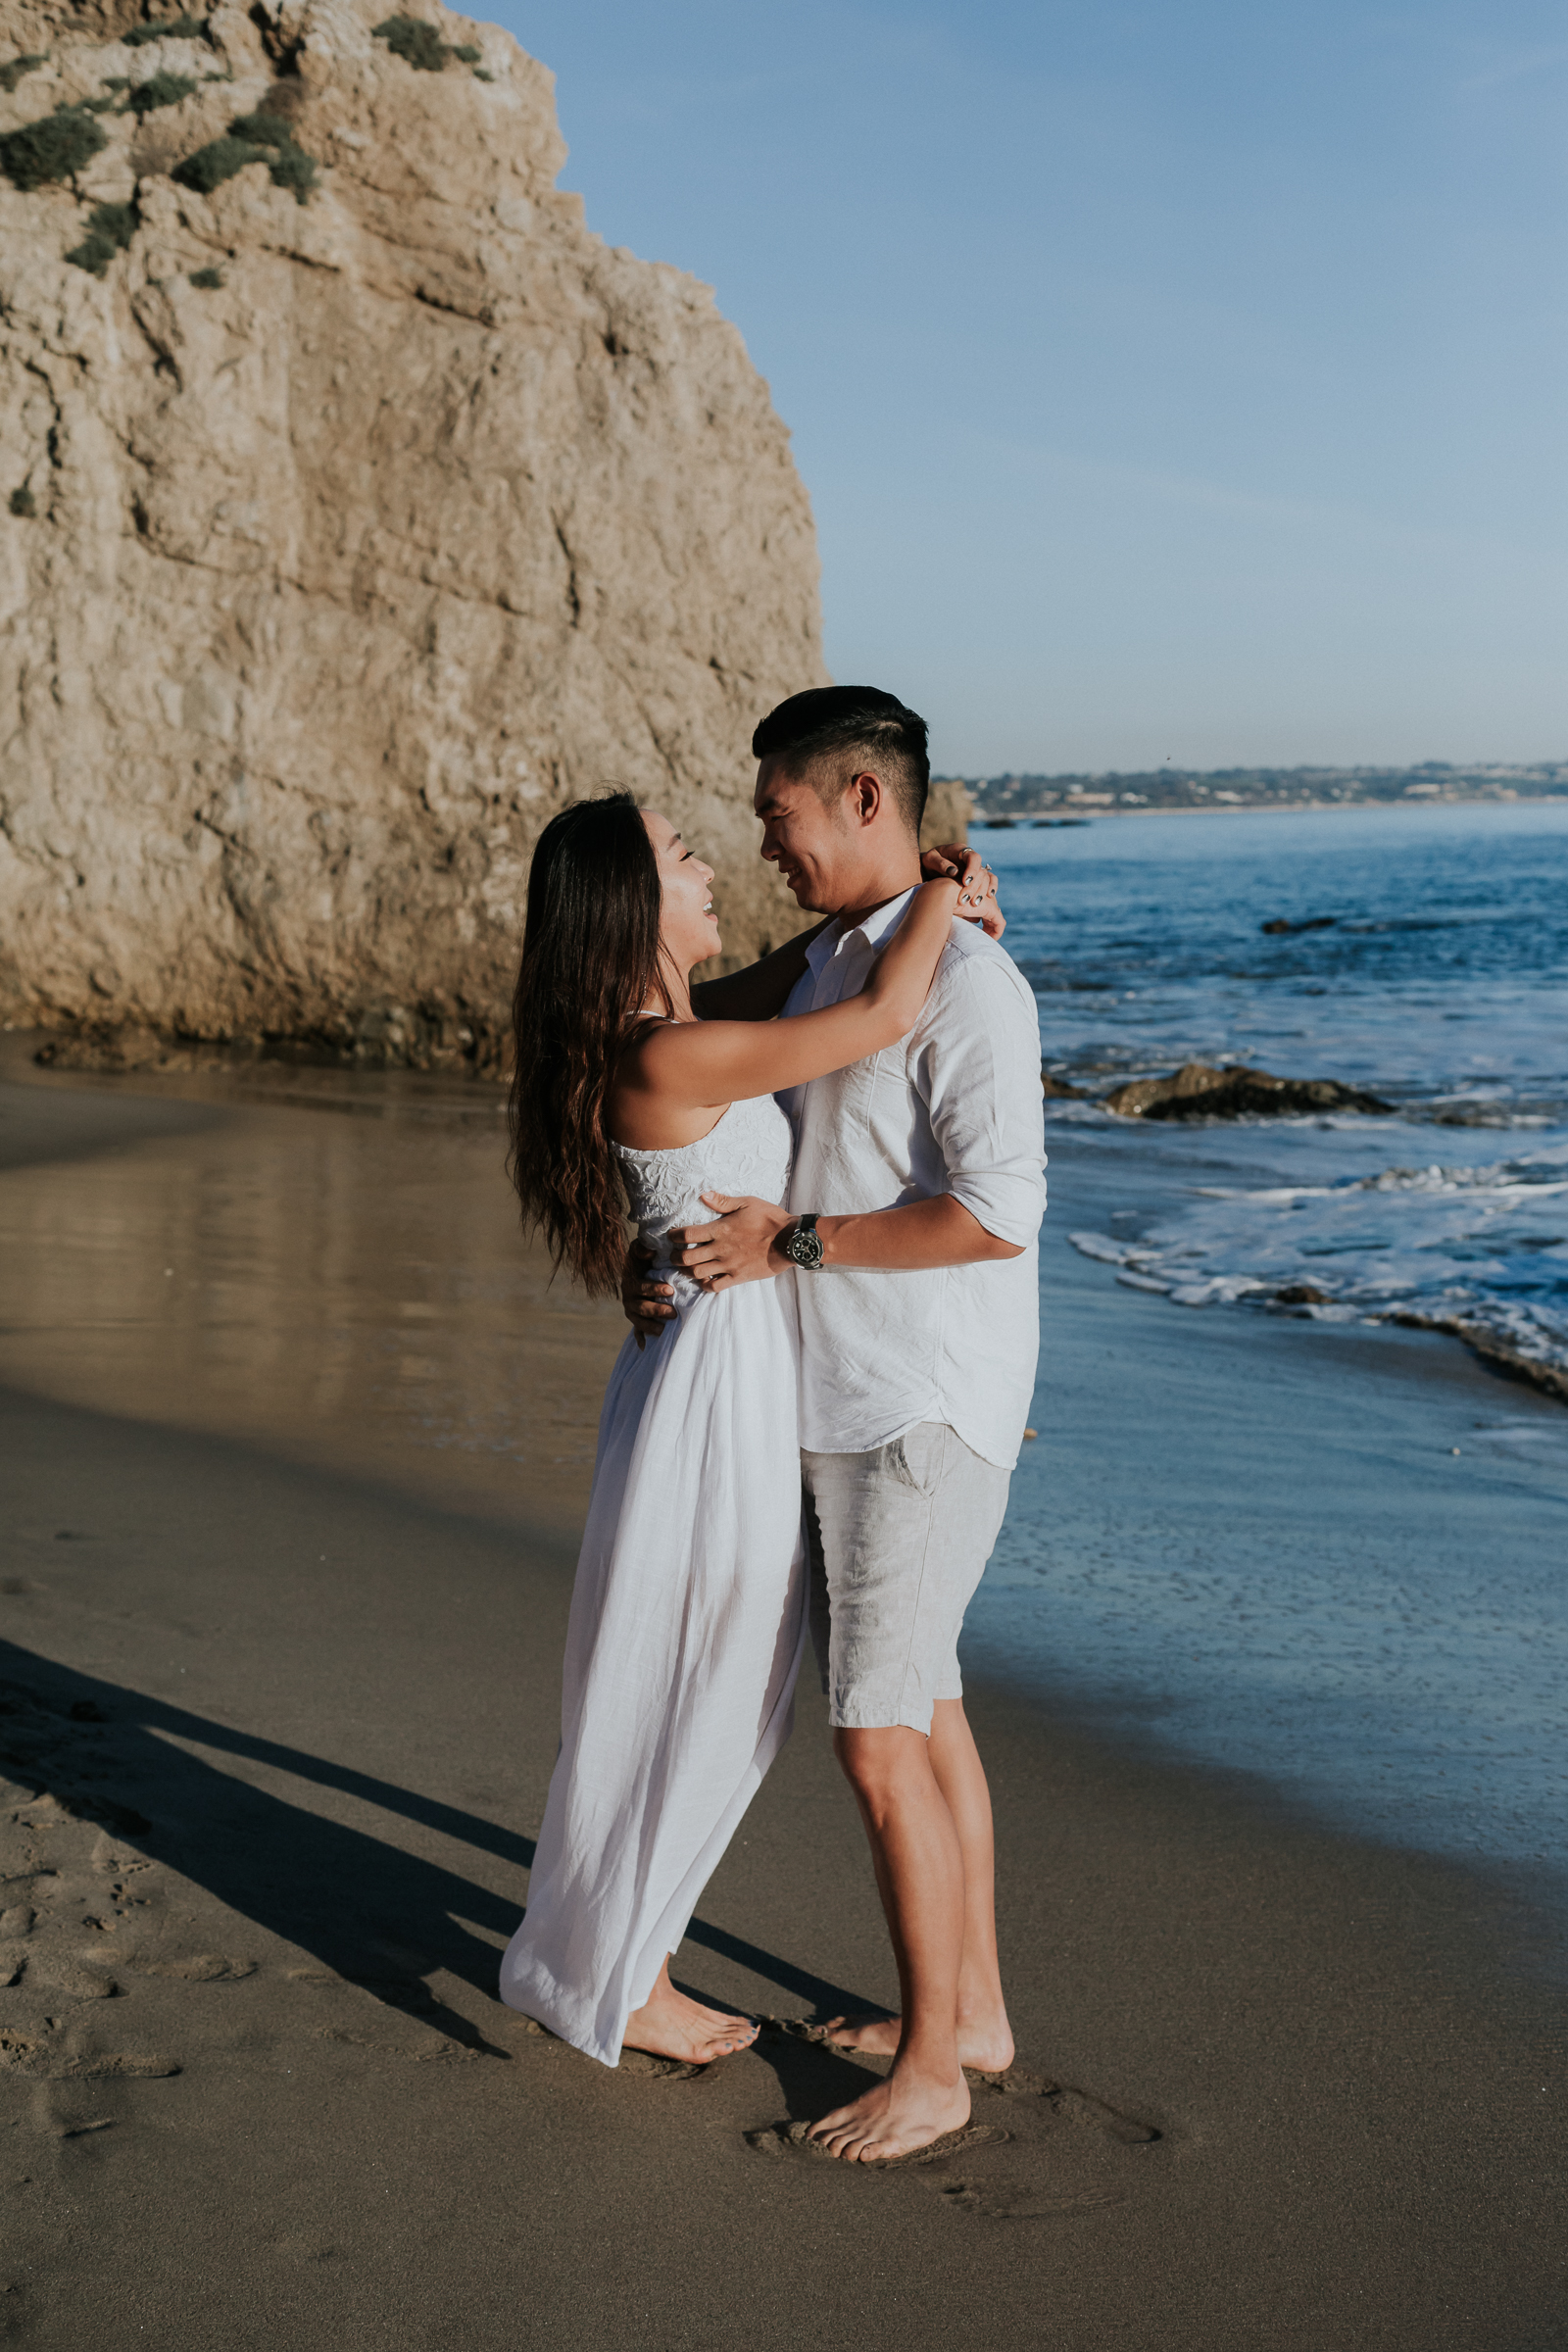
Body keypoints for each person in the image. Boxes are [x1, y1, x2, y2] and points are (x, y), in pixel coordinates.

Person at [498, 789, 996, 2070]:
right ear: (628, 903)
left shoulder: (681, 1028)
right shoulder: (671, 1053)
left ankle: (612, 1959)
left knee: (701, 1683)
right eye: (679, 857)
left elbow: (813, 971)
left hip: (715, 1365)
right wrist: (949, 892)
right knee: (696, 1686)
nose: (711, 865)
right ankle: (623, 1976)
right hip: (714, 1391)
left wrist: (919, 903)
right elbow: (877, 1015)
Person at [623, 685, 1047, 2161]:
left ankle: (934, 2071)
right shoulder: (836, 969)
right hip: (867, 1397)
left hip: (910, 1411)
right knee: (922, 1712)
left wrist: (795, 1242)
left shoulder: (971, 986)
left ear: (863, 799)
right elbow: (696, 1055)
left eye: (778, 813)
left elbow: (998, 1215)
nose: (763, 840)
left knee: (876, 1738)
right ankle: (971, 2016)